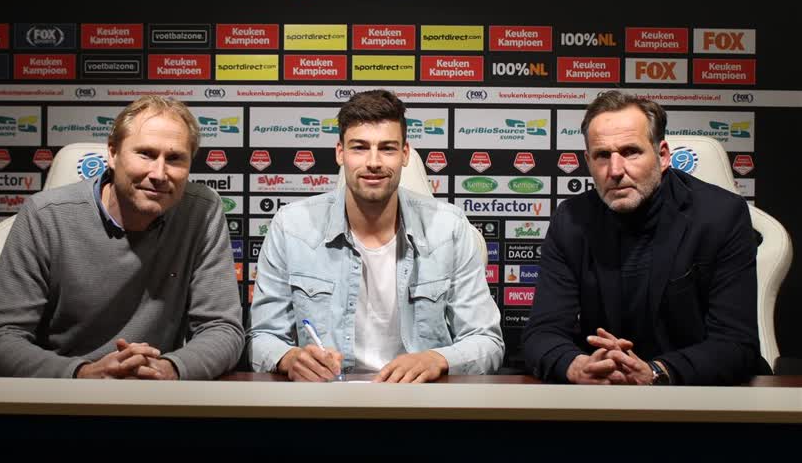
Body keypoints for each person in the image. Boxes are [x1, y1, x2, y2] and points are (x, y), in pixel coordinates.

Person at [0, 96, 244, 379]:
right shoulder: (45, 215)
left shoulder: (202, 211)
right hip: (65, 394)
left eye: (175, 158)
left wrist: (168, 369)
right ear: (112, 154)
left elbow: (222, 329)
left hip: (159, 391)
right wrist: (84, 374)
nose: (159, 174)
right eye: (146, 154)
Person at [247, 89, 504, 382]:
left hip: (421, 398)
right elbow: (262, 337)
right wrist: (289, 358)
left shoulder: (449, 228)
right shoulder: (291, 227)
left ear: (405, 154)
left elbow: (487, 341)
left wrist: (438, 359)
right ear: (340, 153)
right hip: (325, 398)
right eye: (359, 147)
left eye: (387, 148)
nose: (373, 162)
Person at [523, 90, 766, 385]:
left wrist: (655, 372)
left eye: (630, 152)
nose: (615, 171)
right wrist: (577, 366)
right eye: (602, 156)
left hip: (696, 395)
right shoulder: (571, 220)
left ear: (662, 156)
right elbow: (541, 333)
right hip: (602, 395)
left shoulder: (720, 216)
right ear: (588, 161)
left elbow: (736, 344)